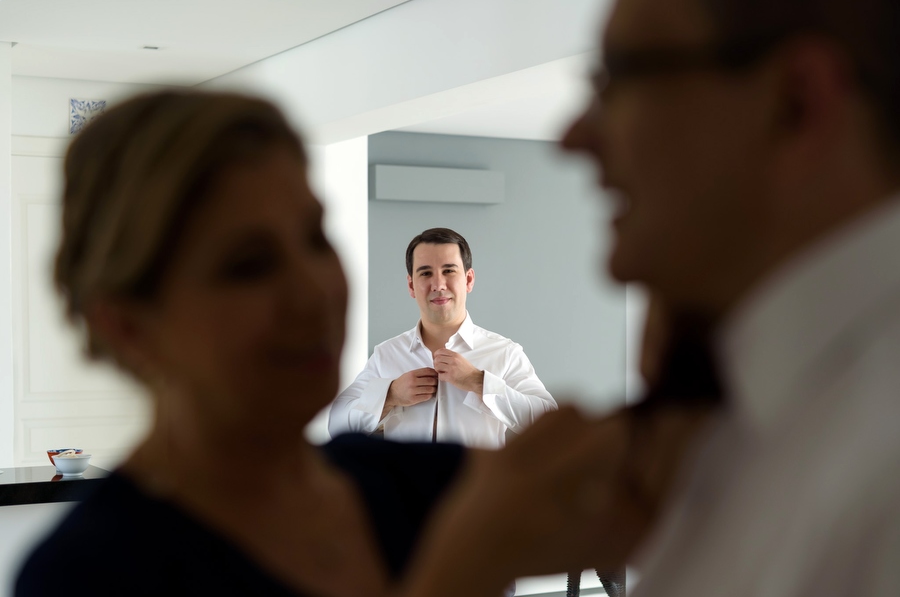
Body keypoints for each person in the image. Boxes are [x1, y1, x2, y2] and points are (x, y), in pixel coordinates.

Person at [14, 89, 624, 597]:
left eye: (314, 237)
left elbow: (634, 497)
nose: (313, 290)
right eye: (248, 264)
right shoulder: (88, 572)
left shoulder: (399, 482)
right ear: (127, 323)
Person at [561, 0, 900, 595]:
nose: (572, 138)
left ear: (796, 103)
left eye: (623, 76)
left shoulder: (880, 472)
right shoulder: (742, 427)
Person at [328, 228, 557, 448]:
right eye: (426, 273)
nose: (438, 284)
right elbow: (336, 424)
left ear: (468, 280)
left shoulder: (504, 353)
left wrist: (479, 382)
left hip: (479, 489)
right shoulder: (386, 354)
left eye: (449, 271)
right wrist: (390, 395)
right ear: (411, 285)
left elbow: (550, 426)